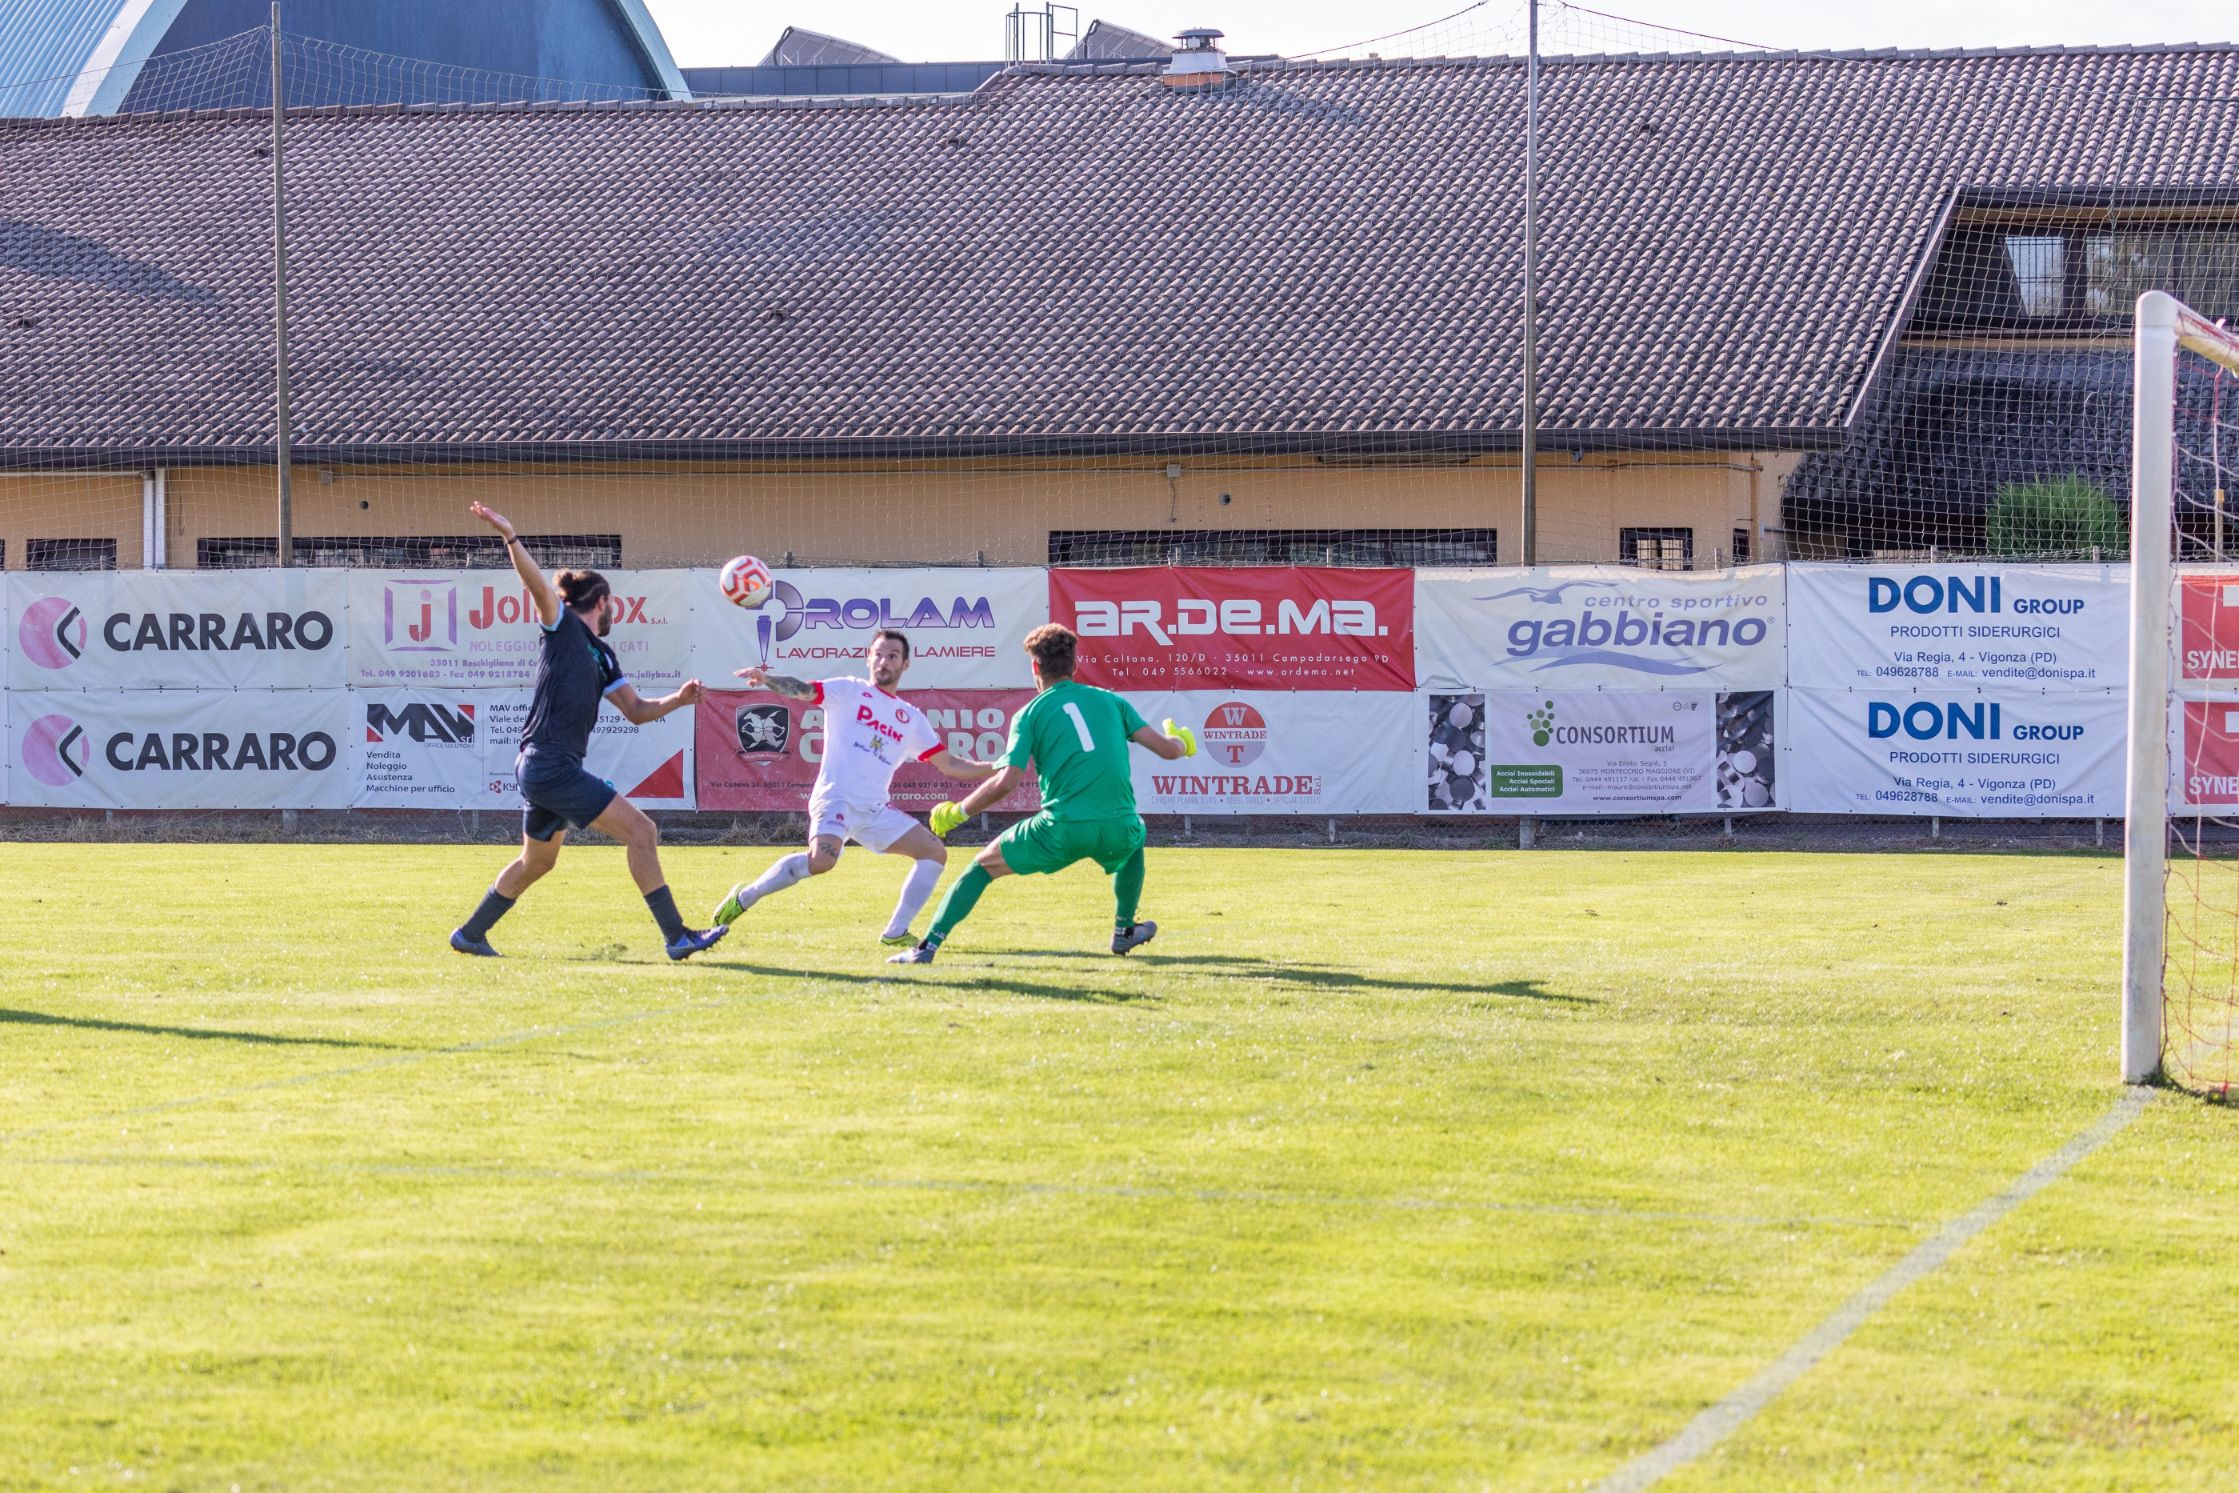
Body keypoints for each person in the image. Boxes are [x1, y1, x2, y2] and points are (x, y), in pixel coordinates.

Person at [449, 502, 726, 960]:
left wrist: (679, 699)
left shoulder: (604, 656)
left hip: (546, 767)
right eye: (611, 603)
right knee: (642, 831)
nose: (613, 610)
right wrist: (510, 537)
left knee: (538, 861)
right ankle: (677, 936)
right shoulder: (561, 628)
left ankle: (470, 934)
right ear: (601, 602)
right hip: (549, 764)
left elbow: (636, 710)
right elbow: (536, 585)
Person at [888, 623, 1197, 965]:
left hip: (1061, 829)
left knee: (980, 868)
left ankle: (926, 947)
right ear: (1074, 664)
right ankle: (1124, 929)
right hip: (1117, 828)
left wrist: (958, 812)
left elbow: (1006, 782)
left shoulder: (1029, 714)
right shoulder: (1111, 701)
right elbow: (1169, 750)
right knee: (1135, 833)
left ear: (1035, 667)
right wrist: (1182, 740)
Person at [712, 629, 997, 946]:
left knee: (934, 852)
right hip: (836, 799)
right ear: (868, 658)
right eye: (878, 654)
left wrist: (998, 767)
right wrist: (768, 679)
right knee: (821, 861)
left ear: (905, 664)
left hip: (874, 810)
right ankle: (746, 896)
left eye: (892, 656)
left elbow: (950, 764)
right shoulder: (849, 690)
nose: (884, 661)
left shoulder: (911, 719)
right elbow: (803, 690)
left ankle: (895, 933)